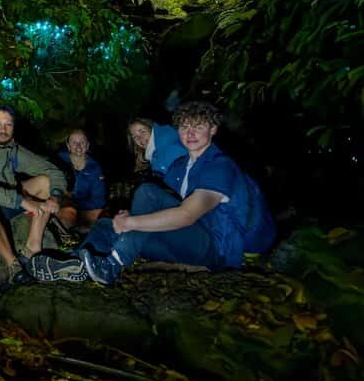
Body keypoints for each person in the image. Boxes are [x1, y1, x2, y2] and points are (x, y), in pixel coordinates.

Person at [77, 101, 275, 284]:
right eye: (184, 127)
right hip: (188, 240)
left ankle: (114, 264)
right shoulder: (179, 168)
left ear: (213, 129)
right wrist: (130, 219)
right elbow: (163, 207)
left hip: (218, 249)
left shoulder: (220, 166)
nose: (190, 134)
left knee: (147, 193)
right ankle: (76, 264)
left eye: (198, 127)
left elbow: (186, 215)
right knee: (106, 225)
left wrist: (131, 222)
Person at [0, 104, 72, 284]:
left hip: (5, 206)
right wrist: (21, 201)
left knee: (45, 183)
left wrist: (55, 196)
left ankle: (32, 249)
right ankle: (13, 266)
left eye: (8, 124)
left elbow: (53, 171)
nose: (3, 129)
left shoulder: (13, 150)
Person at [56, 129, 106, 230]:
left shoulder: (95, 168)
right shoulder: (58, 160)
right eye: (74, 143)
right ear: (68, 146)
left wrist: (76, 203)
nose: (78, 146)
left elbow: (99, 200)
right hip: (61, 205)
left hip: (84, 208)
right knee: (69, 213)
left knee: (102, 216)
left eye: (82, 142)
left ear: (87, 145)